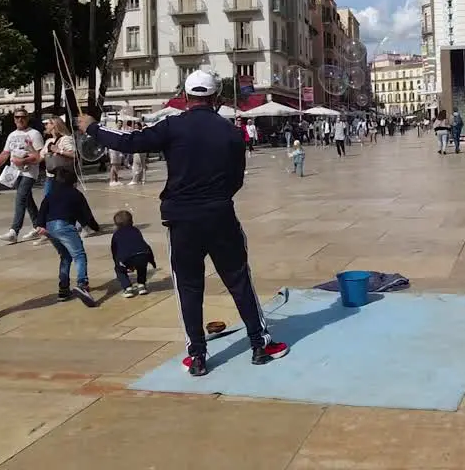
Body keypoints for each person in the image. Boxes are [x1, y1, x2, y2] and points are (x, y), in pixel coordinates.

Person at [78, 70, 289, 377]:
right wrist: (216, 198)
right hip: (220, 216)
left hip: (182, 221)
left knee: (189, 286)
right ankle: (259, 344)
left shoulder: (172, 126)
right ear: (215, 99)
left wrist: (94, 128)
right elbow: (236, 179)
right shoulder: (231, 131)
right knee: (239, 280)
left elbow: (130, 142)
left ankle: (198, 356)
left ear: (186, 98)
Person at [33, 166, 99, 307]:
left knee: (65, 256)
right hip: (64, 226)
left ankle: (63, 289)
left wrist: (40, 224)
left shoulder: (51, 194)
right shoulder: (75, 194)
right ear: (73, 182)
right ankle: (82, 284)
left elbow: (43, 208)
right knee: (79, 255)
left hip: (50, 228)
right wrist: (94, 226)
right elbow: (85, 214)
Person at [0, 110, 44, 244]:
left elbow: (39, 156)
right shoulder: (12, 135)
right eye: (17, 117)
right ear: (14, 119)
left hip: (28, 172)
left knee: (20, 198)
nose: (20, 120)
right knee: (27, 200)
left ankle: (14, 230)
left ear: (27, 118)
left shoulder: (34, 134)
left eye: (23, 117)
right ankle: (39, 227)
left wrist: (23, 161)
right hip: (14, 172)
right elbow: (5, 153)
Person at [111, 209, 155, 297]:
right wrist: (152, 260)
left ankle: (128, 288)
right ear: (132, 221)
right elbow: (144, 245)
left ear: (116, 225)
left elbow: (114, 251)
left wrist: (119, 263)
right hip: (143, 254)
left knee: (119, 270)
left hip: (126, 257)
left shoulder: (116, 234)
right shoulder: (136, 231)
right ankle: (141, 285)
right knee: (142, 266)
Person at [41, 117, 77, 198]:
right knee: (48, 202)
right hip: (50, 177)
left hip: (63, 177)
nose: (45, 126)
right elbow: (40, 157)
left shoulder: (66, 139)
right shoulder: (49, 141)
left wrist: (59, 151)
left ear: (54, 125)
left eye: (47, 124)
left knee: (64, 202)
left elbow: (74, 155)